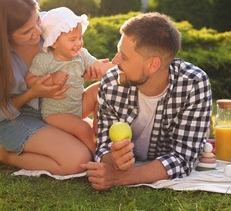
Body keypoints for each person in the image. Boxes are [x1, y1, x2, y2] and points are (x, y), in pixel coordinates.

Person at [0, 0, 101, 175]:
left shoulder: (49, 25)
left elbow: (72, 55)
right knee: (77, 161)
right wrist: (32, 93)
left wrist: (86, 70)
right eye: (26, 31)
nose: (37, 31)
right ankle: (5, 155)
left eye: (36, 20)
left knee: (93, 139)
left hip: (52, 111)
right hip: (14, 121)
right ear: (4, 36)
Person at [81, 12, 212, 190]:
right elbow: (103, 145)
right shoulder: (111, 82)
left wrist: (121, 178)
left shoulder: (193, 84)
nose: (114, 61)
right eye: (118, 51)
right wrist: (113, 159)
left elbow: (183, 158)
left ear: (152, 65)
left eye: (124, 56)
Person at [25, 7, 114, 154]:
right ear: (54, 42)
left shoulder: (82, 55)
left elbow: (100, 67)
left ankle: (99, 130)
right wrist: (51, 79)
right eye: (72, 39)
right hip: (56, 114)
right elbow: (29, 80)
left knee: (99, 88)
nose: (78, 43)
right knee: (83, 128)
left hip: (78, 106)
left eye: (80, 38)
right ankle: (98, 155)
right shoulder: (45, 60)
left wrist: (123, 67)